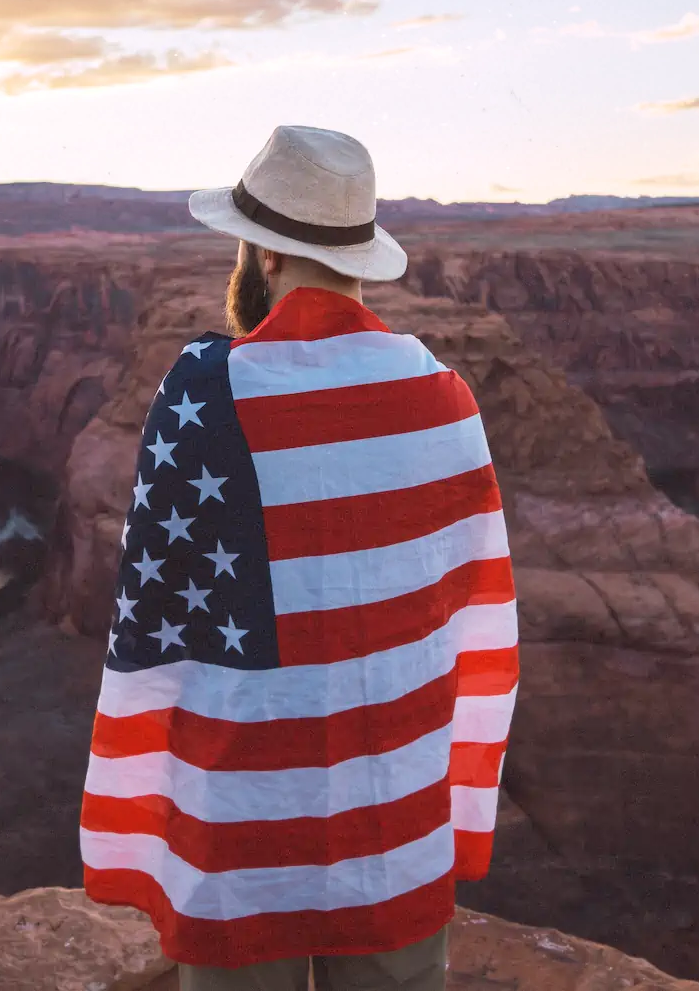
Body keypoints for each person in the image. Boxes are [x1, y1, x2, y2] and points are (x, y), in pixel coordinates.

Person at [78, 126, 521, 991]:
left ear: (264, 258)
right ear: (359, 258)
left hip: (243, 834)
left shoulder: (204, 394)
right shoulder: (443, 398)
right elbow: (478, 617)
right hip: (394, 829)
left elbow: (158, 627)